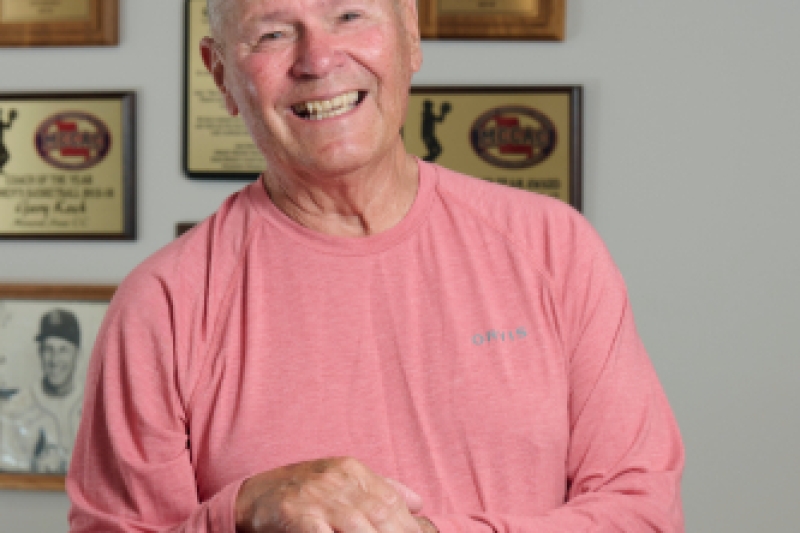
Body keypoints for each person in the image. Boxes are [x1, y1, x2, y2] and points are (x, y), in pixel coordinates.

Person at [67, 0, 685, 531]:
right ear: (221, 73)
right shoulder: (162, 304)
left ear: (409, 33)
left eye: (349, 14)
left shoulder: (555, 249)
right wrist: (242, 510)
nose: (318, 59)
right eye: (273, 33)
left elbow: (644, 512)